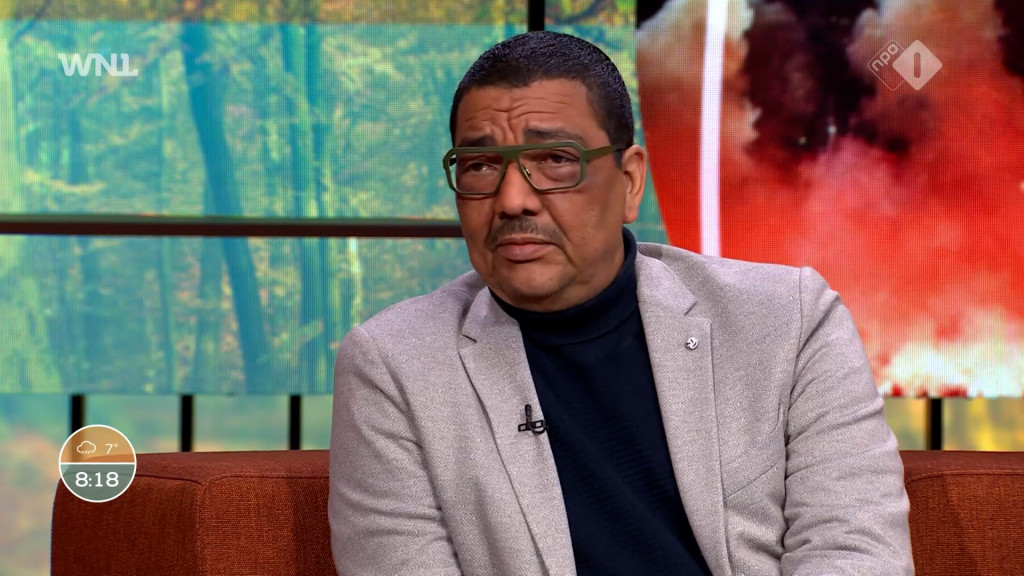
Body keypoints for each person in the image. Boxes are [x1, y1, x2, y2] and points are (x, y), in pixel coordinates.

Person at [328, 30, 913, 576]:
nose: (512, 200)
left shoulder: (789, 321)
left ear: (630, 181)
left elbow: (857, 554)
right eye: (480, 165)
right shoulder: (395, 365)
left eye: (555, 160)